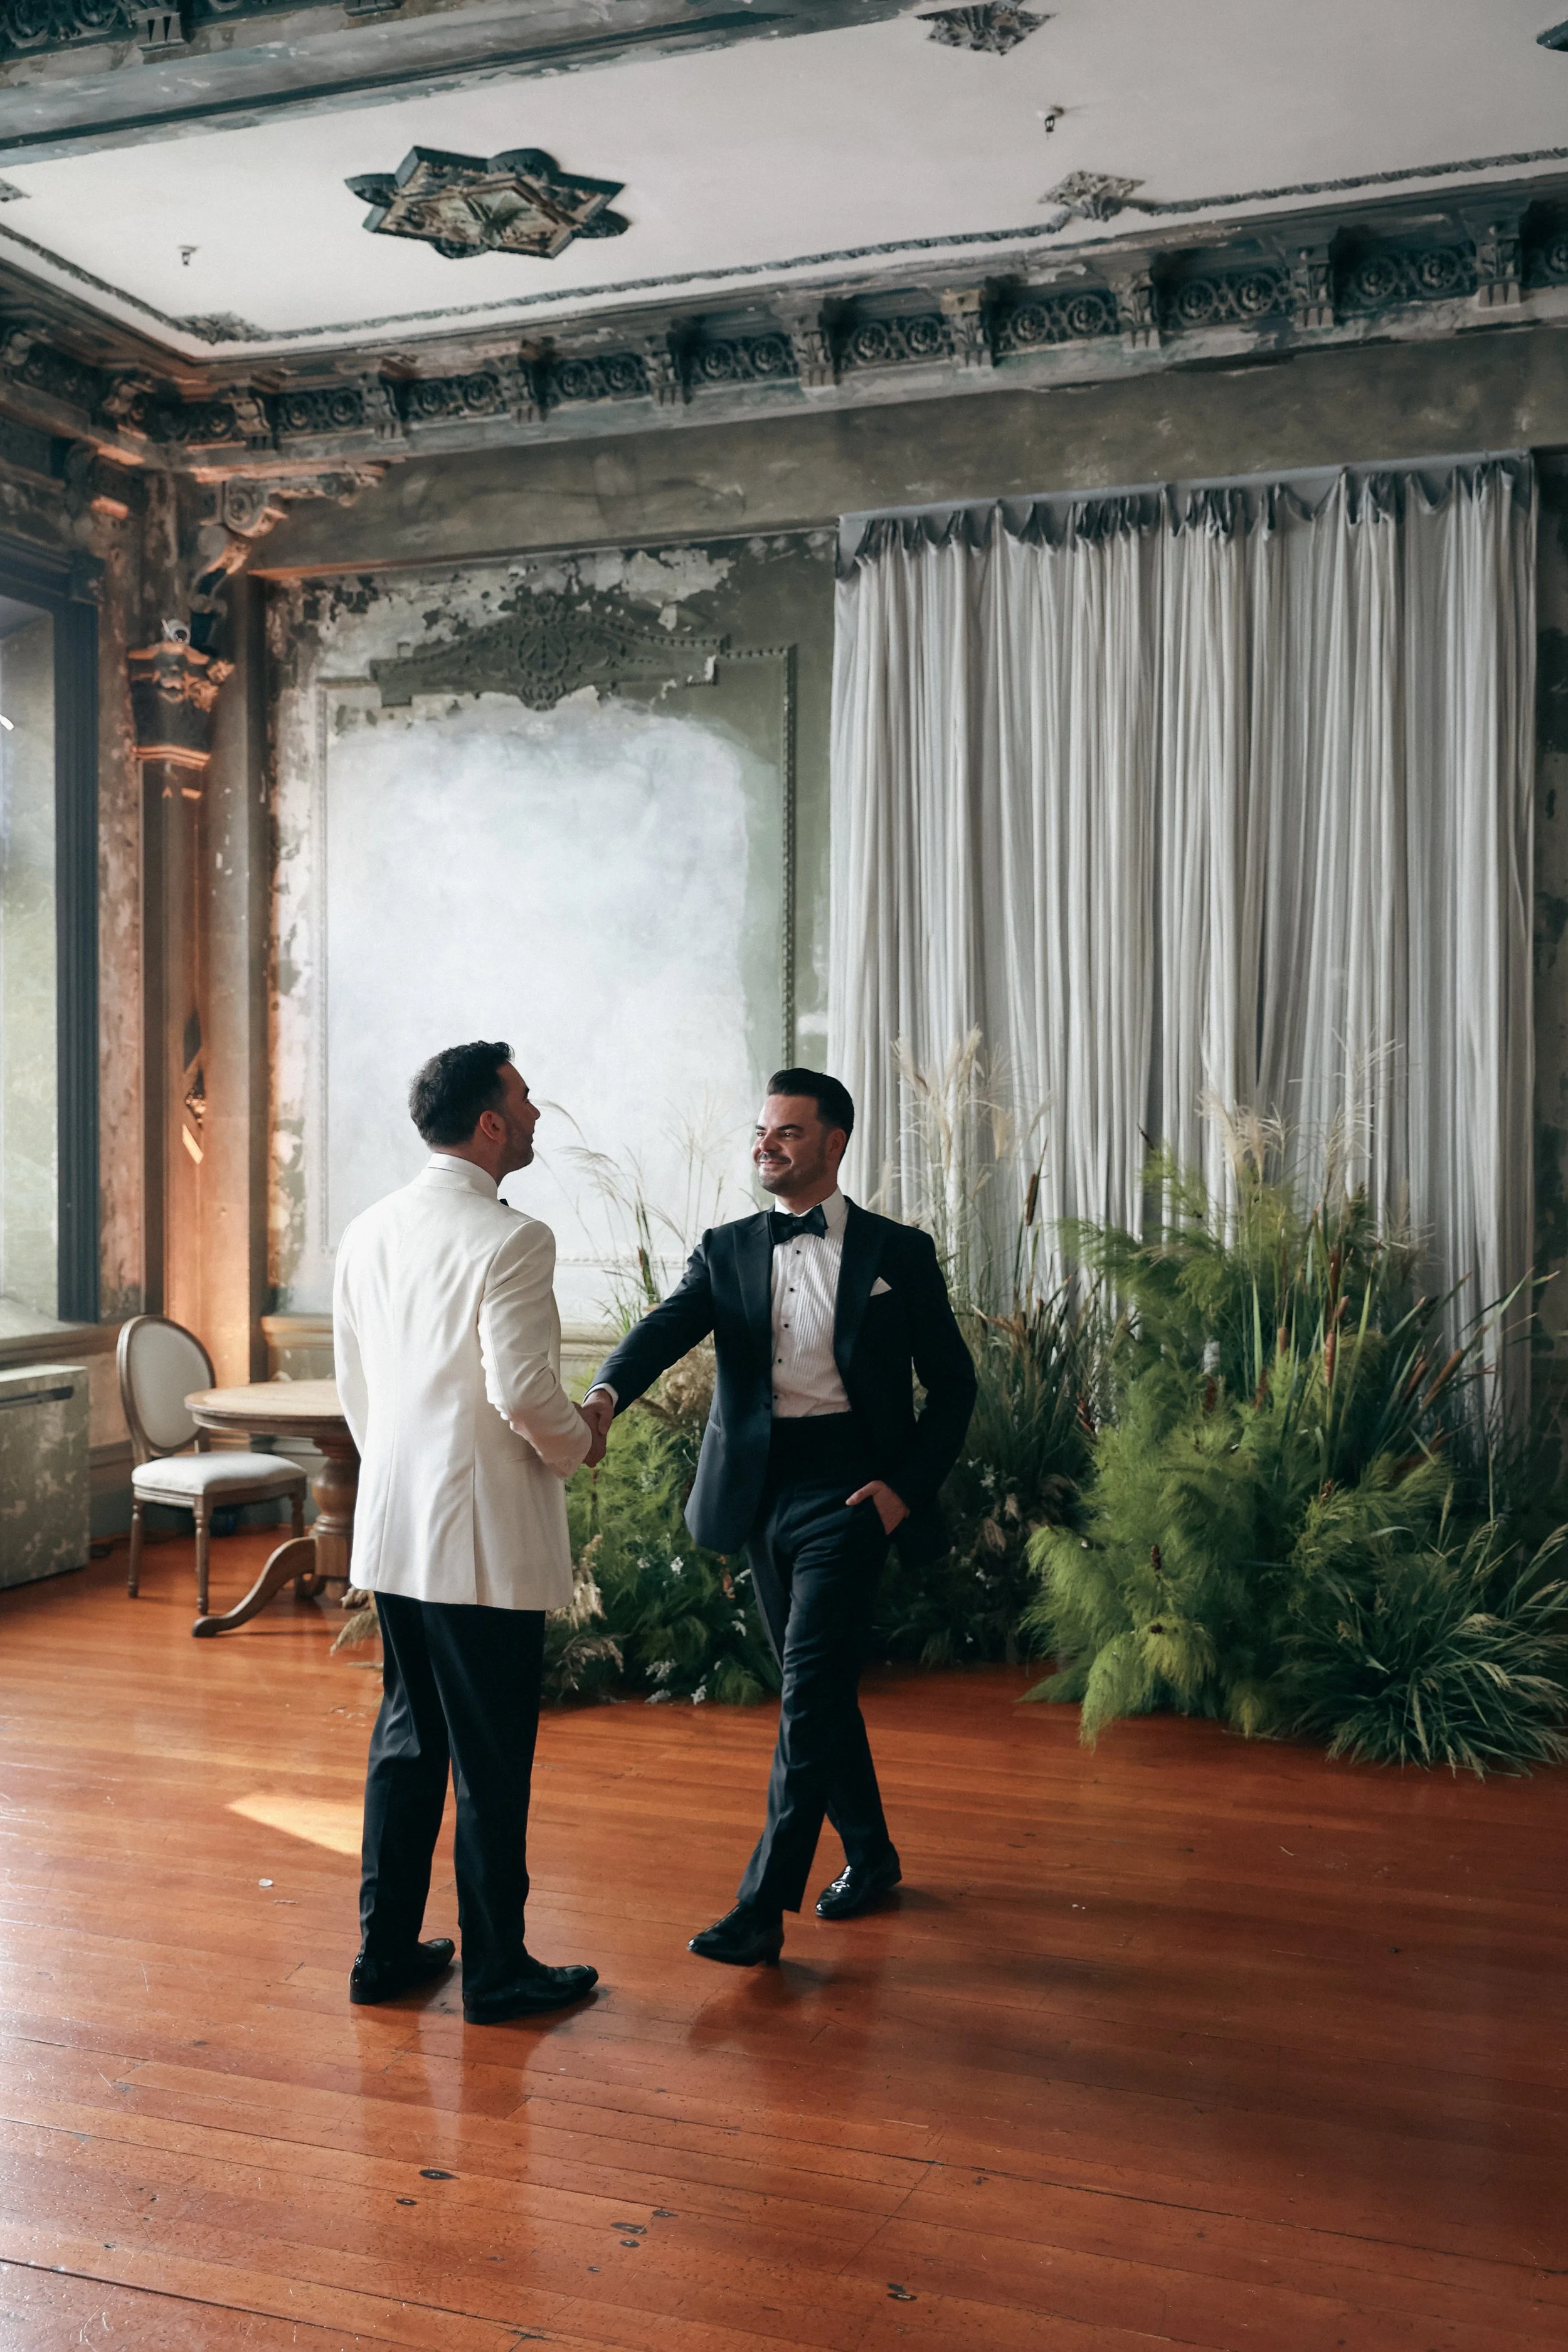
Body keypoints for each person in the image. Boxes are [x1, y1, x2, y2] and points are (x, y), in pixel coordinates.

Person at [581, 1068, 977, 1966]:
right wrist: (605, 1394)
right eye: (762, 1130)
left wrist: (902, 1488)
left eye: (788, 1132)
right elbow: (663, 1327)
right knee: (821, 1690)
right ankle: (870, 1855)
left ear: (835, 1142)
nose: (767, 1144)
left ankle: (762, 1904)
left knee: (805, 1688)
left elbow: (955, 1386)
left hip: (852, 1491)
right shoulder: (726, 1247)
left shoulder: (898, 1253)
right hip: (760, 1493)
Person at [334, 1040, 605, 2023]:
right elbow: (524, 1392)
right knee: (491, 1759)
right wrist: (584, 1440)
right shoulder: (513, 1239)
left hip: (396, 1528)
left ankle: (385, 1953)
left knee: (408, 1744)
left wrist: (405, 1481)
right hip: (481, 1540)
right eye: (525, 1099)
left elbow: (356, 1392)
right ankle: (497, 1970)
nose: (536, 1113)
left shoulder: (366, 1230)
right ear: (489, 1122)